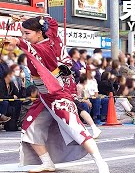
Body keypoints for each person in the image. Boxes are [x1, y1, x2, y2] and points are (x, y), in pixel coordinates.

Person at [5, 16, 109, 172]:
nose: (24, 36)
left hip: (57, 95)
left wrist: (19, 41)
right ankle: (47, 162)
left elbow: (31, 47)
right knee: (30, 126)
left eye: (27, 33)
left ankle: (100, 162)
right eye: (22, 33)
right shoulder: (51, 35)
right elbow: (51, 22)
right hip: (44, 96)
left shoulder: (45, 47)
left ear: (39, 33)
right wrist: (27, 18)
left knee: (74, 127)